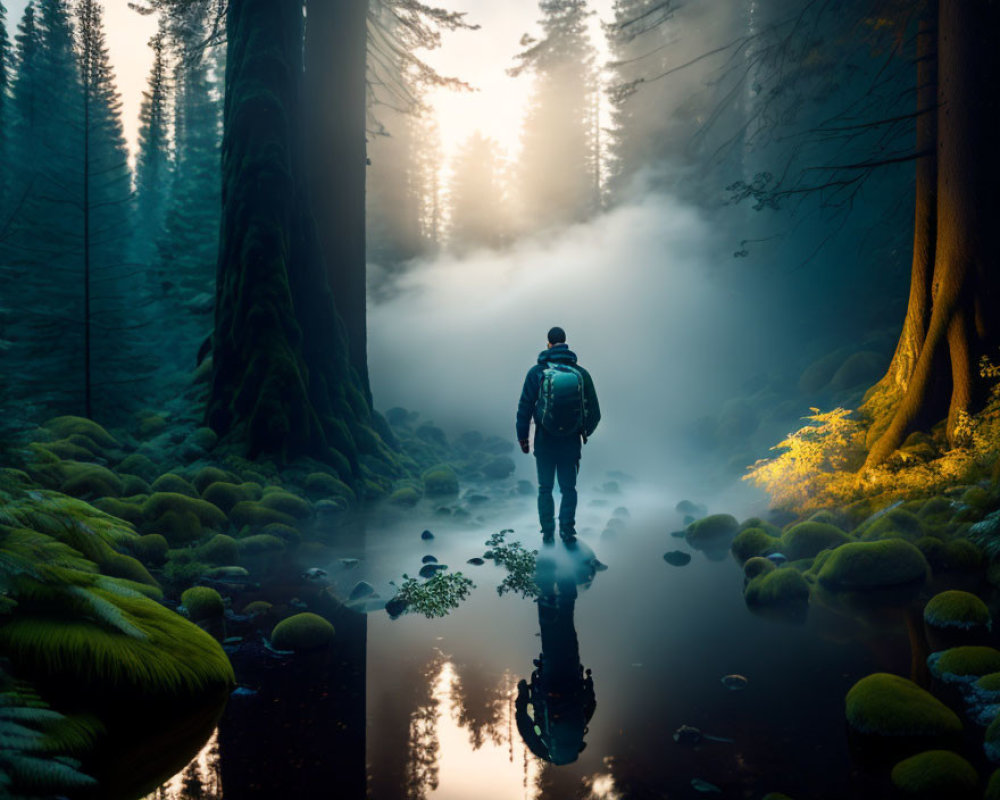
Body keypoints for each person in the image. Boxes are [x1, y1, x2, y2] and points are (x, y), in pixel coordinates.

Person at [516, 326, 600, 543]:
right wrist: (582, 432)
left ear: (548, 344)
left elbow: (525, 406)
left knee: (545, 488)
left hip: (544, 440)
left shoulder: (537, 372)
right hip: (571, 442)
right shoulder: (581, 374)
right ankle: (568, 532)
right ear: (565, 342)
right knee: (568, 488)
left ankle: (547, 534)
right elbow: (596, 414)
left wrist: (523, 437)